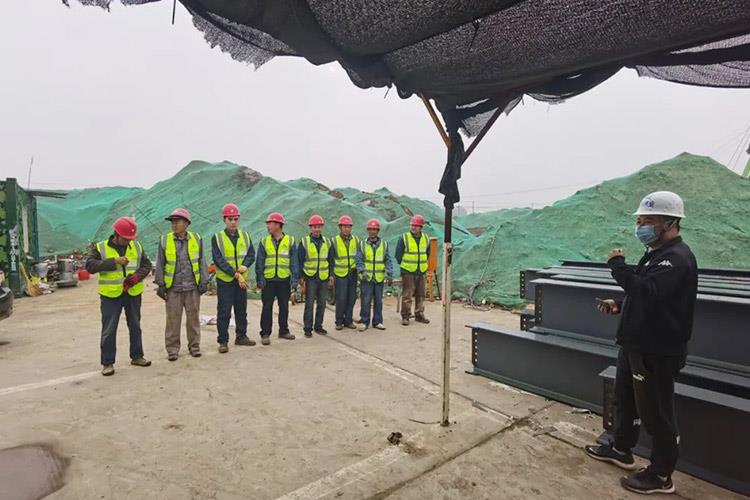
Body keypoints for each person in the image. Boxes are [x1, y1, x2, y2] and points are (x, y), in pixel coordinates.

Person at [585, 191, 697, 495]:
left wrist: (617, 266)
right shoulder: (657, 255)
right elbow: (649, 296)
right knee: (625, 399)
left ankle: (661, 475)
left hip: (656, 351)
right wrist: (620, 304)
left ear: (670, 223)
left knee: (656, 413)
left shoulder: (677, 258)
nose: (640, 227)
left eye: (647, 221)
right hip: (636, 344)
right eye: (639, 221)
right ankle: (622, 448)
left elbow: (646, 290)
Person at [86, 217, 152, 376]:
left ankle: (137, 356)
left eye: (130, 238)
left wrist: (137, 277)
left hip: (132, 292)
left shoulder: (136, 246)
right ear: (116, 235)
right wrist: (113, 261)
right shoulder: (101, 248)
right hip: (111, 295)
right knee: (109, 329)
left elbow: (146, 265)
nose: (128, 241)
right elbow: (90, 266)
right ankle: (107, 363)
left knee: (135, 325)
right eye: (125, 238)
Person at [154, 208, 209, 361]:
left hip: (192, 287)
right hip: (173, 288)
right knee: (173, 321)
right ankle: (172, 350)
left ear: (186, 223)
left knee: (193, 320)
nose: (173, 224)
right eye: (172, 222)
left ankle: (194, 347)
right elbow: (160, 263)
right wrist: (160, 284)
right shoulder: (165, 240)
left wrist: (204, 281)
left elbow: (202, 261)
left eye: (176, 221)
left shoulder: (196, 239)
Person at [212, 203, 256, 353]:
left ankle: (241, 336)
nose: (233, 222)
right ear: (224, 220)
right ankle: (223, 341)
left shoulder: (245, 236)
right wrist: (236, 274)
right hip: (225, 281)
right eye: (230, 219)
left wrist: (245, 265)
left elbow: (251, 254)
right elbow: (219, 260)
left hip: (241, 282)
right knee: (224, 312)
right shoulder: (217, 238)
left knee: (241, 310)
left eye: (235, 219)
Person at [255, 212, 299, 345]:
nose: (268, 226)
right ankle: (265, 333)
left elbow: (294, 262)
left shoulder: (290, 241)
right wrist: (260, 278)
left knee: (284, 306)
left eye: (270, 224)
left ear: (278, 225)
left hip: (284, 280)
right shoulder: (264, 241)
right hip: (268, 280)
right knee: (267, 307)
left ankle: (283, 331)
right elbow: (260, 262)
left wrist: (294, 280)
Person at [356, 218, 393, 331]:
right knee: (365, 300)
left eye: (375, 229)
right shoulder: (362, 244)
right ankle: (364, 321)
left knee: (378, 301)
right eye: (370, 229)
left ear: (378, 231)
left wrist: (389, 272)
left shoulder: (384, 244)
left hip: (378, 278)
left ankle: (377, 322)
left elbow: (388, 260)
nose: (372, 231)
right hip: (366, 278)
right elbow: (358, 259)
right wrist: (361, 271)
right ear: (368, 230)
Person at [297, 215, 331, 337]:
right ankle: (307, 328)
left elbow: (330, 260)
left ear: (322, 227)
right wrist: (301, 277)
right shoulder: (304, 242)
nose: (317, 229)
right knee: (309, 304)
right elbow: (300, 260)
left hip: (323, 277)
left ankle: (318, 326)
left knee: (322, 303)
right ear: (310, 228)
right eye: (315, 227)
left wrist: (331, 276)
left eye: (319, 227)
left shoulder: (327, 242)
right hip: (310, 277)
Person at [395, 215, 430, 326]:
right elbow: (398, 255)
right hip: (408, 271)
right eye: (412, 225)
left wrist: (422, 265)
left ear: (421, 227)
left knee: (421, 294)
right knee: (407, 295)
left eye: (416, 226)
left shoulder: (426, 238)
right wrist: (405, 267)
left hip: (421, 270)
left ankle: (419, 314)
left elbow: (427, 253)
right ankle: (405, 316)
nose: (413, 227)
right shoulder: (404, 238)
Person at [331, 215, 359, 330]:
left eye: (348, 227)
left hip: (352, 273)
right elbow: (331, 259)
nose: (347, 229)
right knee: (341, 298)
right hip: (340, 274)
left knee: (351, 298)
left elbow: (359, 257)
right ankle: (339, 321)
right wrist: (331, 275)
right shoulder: (334, 241)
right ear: (340, 227)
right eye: (344, 226)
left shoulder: (356, 240)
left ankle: (348, 320)